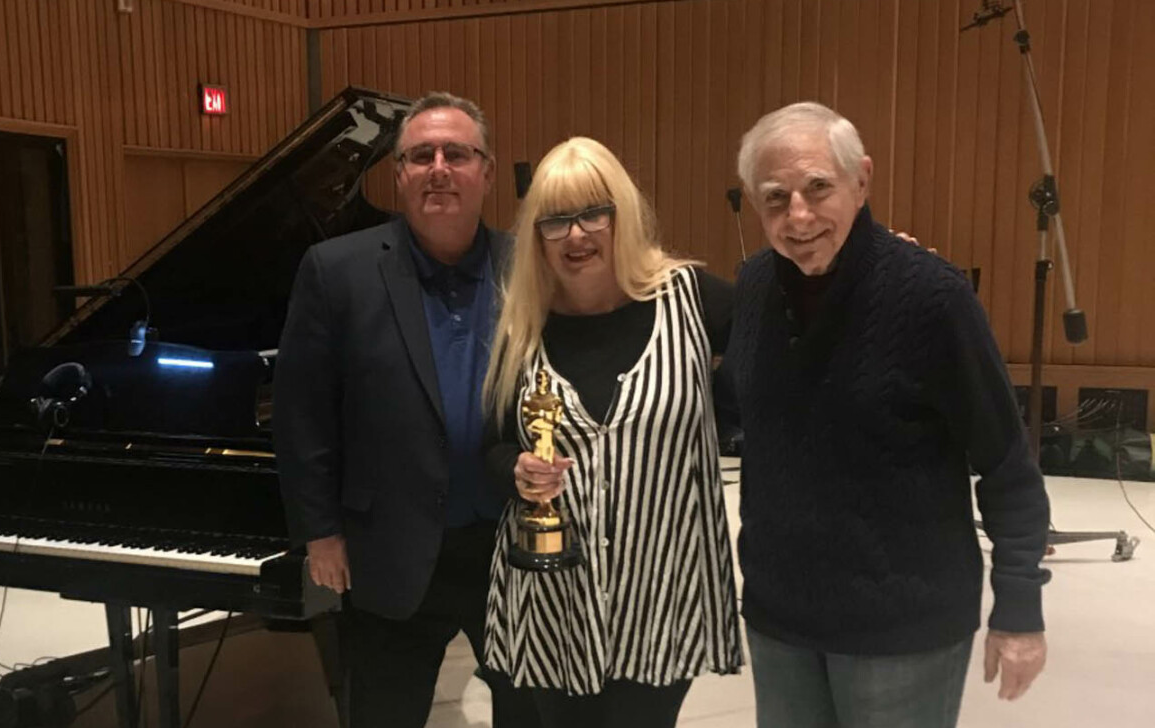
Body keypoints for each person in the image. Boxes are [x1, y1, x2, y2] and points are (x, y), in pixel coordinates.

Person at [720, 101, 1050, 728]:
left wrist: (1019, 609)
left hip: (903, 629)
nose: (799, 216)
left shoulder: (932, 297)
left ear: (862, 180)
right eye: (775, 197)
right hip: (781, 618)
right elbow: (738, 409)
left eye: (818, 187)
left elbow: (1007, 463)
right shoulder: (756, 285)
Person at [273, 92, 538, 728]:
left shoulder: (528, 267)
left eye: (457, 154)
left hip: (507, 549)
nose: (439, 168)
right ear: (399, 175)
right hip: (387, 547)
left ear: (488, 172)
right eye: (421, 155)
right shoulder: (337, 270)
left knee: (532, 715)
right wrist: (322, 532)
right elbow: (301, 412)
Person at [481, 136, 744, 728]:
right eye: (555, 221)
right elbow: (492, 445)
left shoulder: (693, 298)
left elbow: (793, 320)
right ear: (536, 236)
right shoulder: (523, 322)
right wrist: (516, 471)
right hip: (553, 598)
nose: (576, 236)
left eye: (592, 213)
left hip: (662, 595)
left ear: (621, 216)